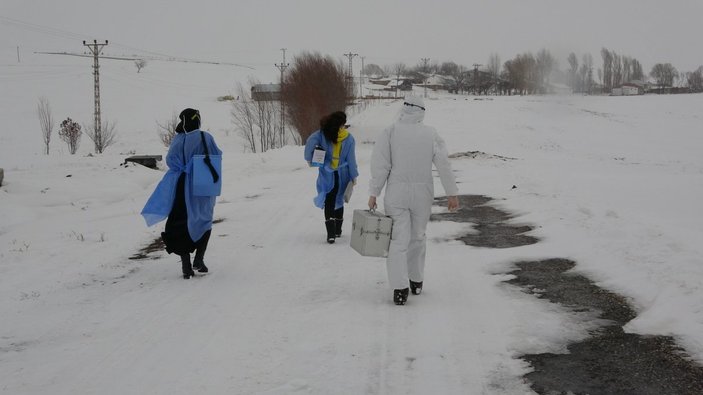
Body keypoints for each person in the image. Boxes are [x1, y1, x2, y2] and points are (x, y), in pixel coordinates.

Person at [368, 96, 459, 305]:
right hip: (423, 193)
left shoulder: (390, 132)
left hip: (396, 193)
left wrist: (374, 193)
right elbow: (443, 163)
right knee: (417, 236)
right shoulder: (430, 134)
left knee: (398, 240)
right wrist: (451, 193)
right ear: (422, 111)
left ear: (404, 110)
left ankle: (400, 289)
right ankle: (416, 281)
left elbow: (380, 165)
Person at [141, 108, 223, 279]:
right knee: (204, 219)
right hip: (201, 184)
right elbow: (216, 155)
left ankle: (186, 265)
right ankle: (199, 259)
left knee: (180, 221)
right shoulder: (204, 137)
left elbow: (170, 160)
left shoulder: (178, 140)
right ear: (197, 120)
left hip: (179, 185)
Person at [304, 111, 359, 243]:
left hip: (327, 172)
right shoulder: (348, 138)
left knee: (330, 198)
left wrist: (310, 158)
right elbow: (351, 160)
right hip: (342, 173)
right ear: (341, 124)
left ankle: (331, 233)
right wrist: (353, 175)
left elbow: (310, 144)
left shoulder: (322, 134)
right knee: (338, 199)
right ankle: (337, 230)